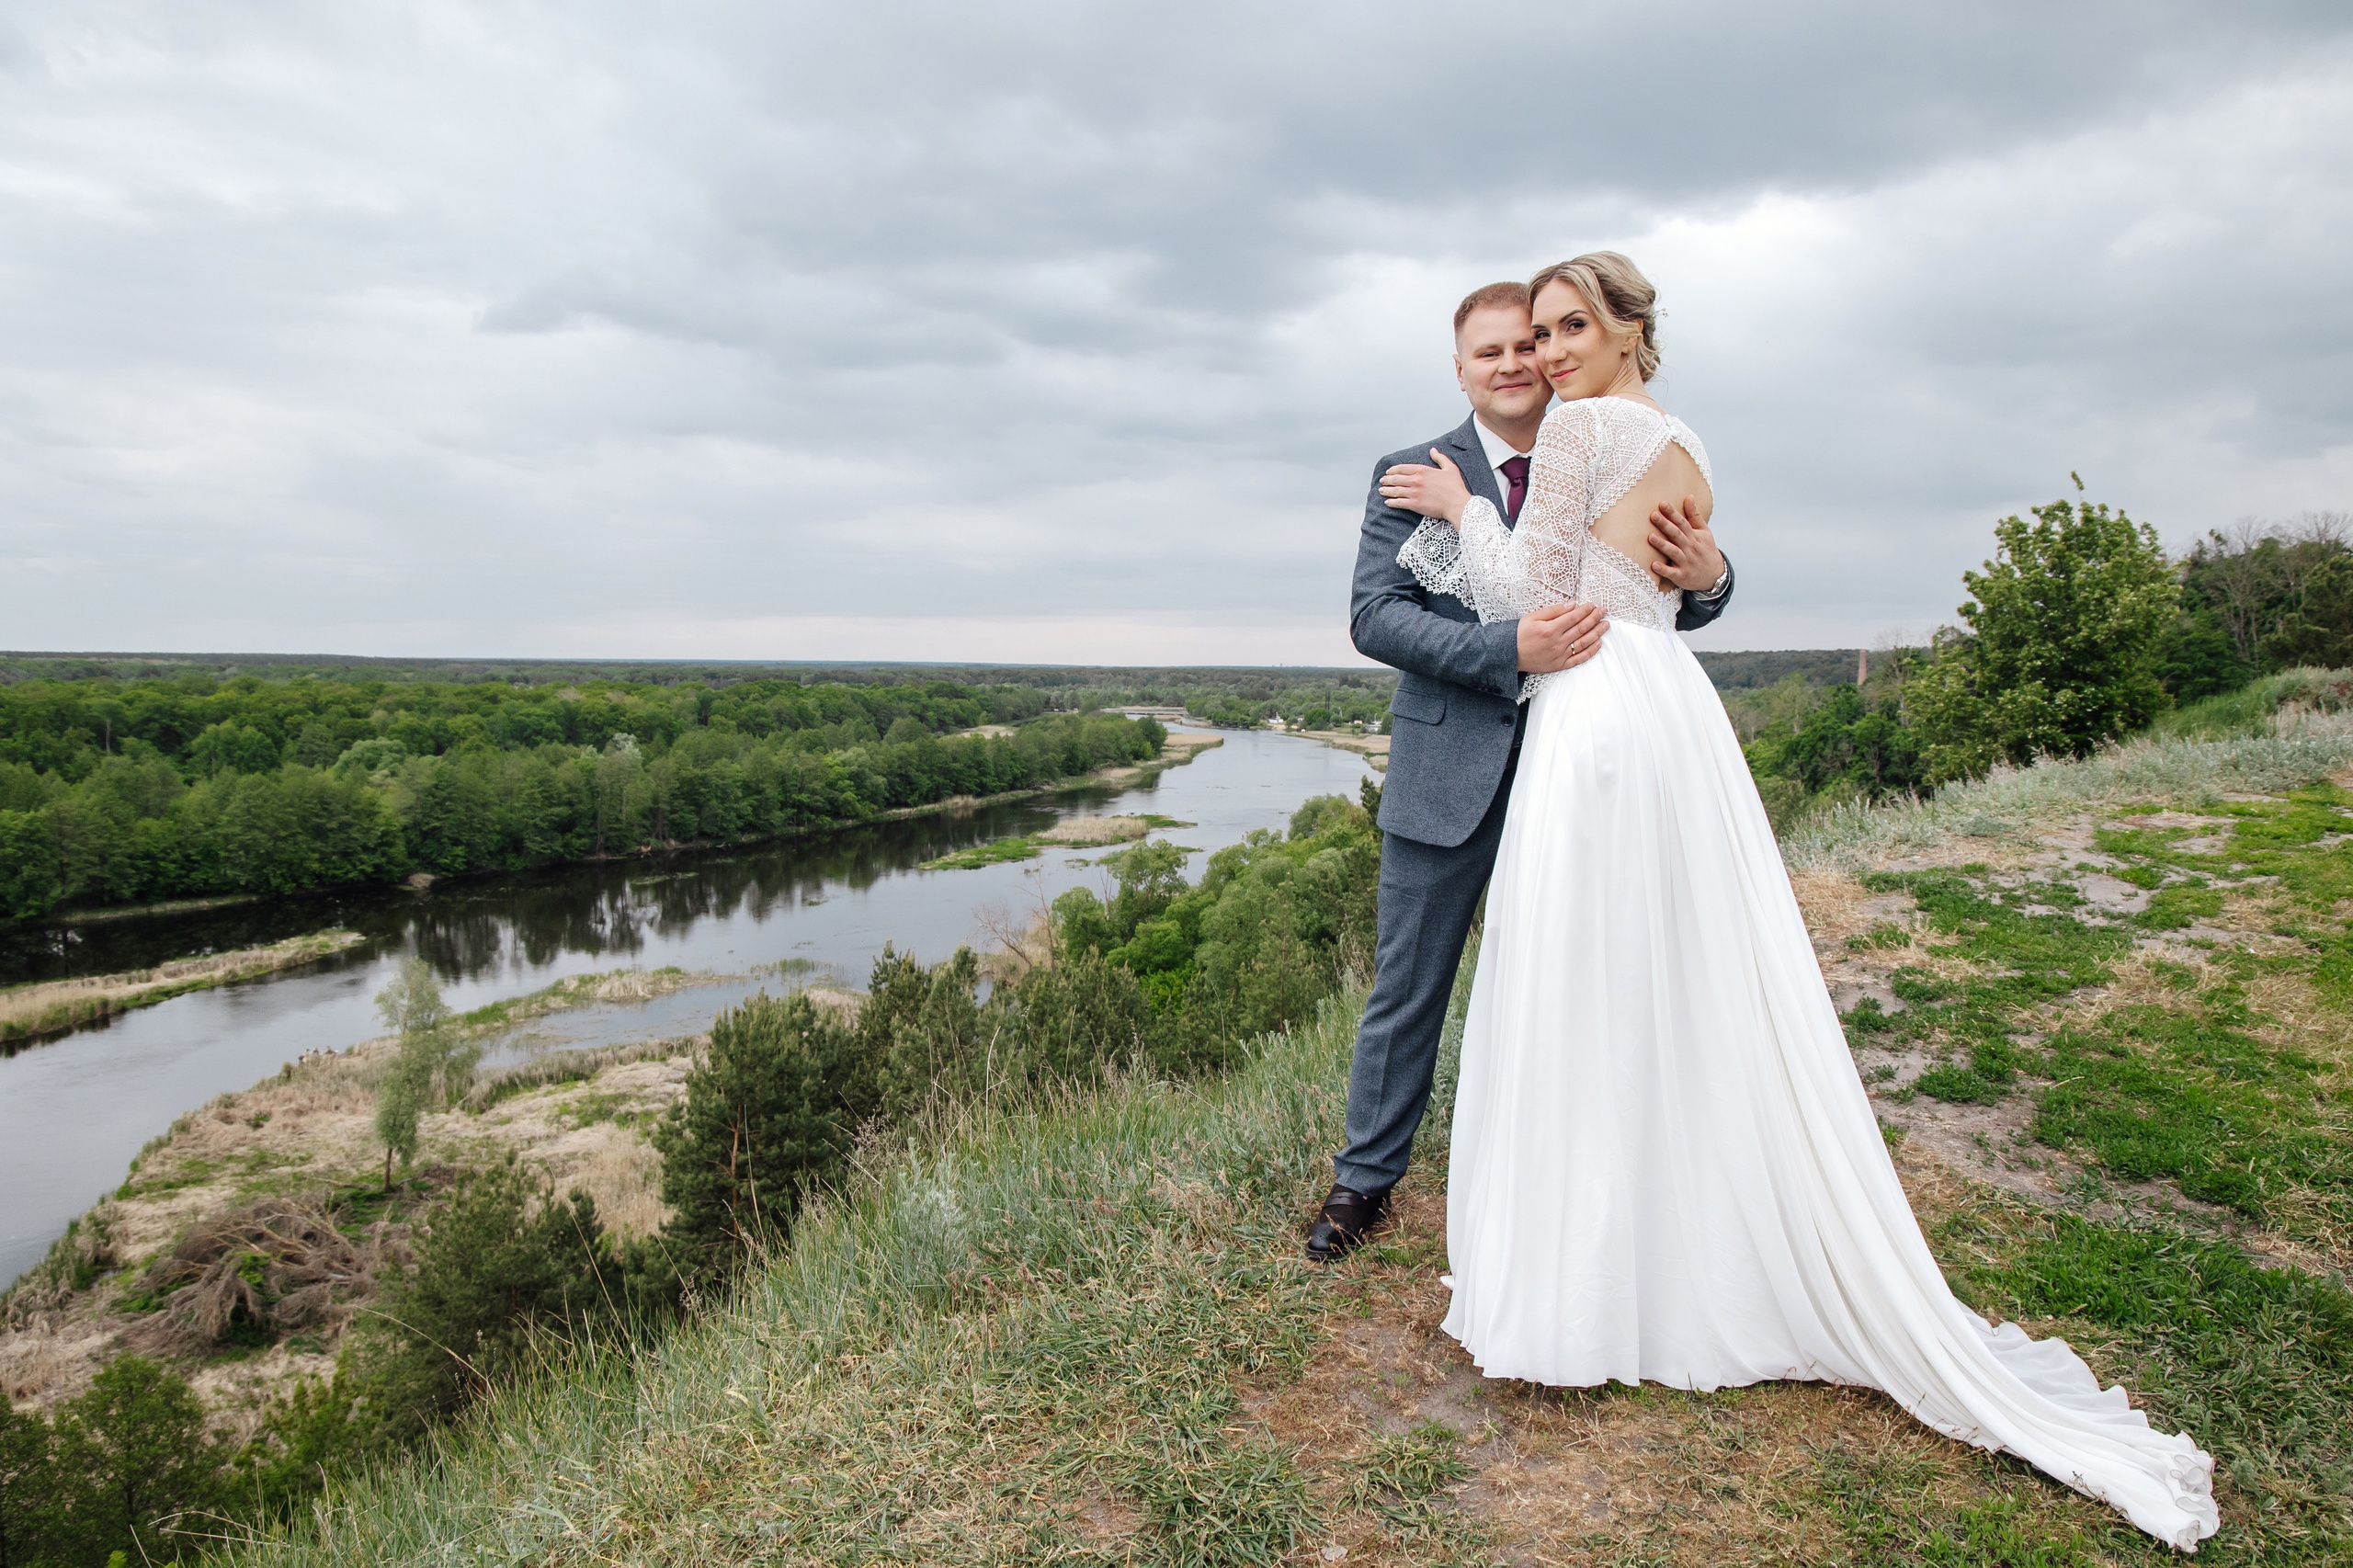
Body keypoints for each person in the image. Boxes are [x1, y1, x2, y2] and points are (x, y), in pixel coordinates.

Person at [1376, 250, 2217, 1551]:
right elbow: (1637, 577)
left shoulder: (1589, 426)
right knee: (1672, 982)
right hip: (1667, 717)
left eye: (1566, 327)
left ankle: (1588, 1286)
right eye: (1528, 335)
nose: (1542, 353)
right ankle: (1663, 1250)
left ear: (1625, 331)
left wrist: (1462, 512)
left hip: (1597, 722)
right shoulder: (1678, 432)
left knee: (1584, 987)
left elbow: (1533, 599)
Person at [1312, 279, 1733, 1262]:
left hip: (1587, 764)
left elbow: (1672, 589)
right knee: (1408, 984)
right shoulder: (1412, 471)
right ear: (1458, 369)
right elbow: (1377, 616)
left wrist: (1713, 573)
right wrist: (1509, 648)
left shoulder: (1600, 439)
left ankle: (1582, 1184)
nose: (1512, 363)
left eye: (1526, 345)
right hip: (1448, 766)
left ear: (1549, 360)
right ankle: (1361, 1183)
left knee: (1586, 975)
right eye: (1489, 351)